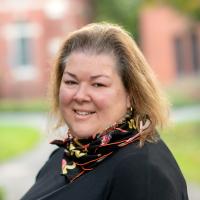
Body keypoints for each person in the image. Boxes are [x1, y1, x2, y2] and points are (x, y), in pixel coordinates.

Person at [21, 22, 188, 200]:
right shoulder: (67, 157)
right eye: (71, 82)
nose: (80, 95)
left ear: (131, 93)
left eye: (98, 84)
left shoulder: (142, 172)